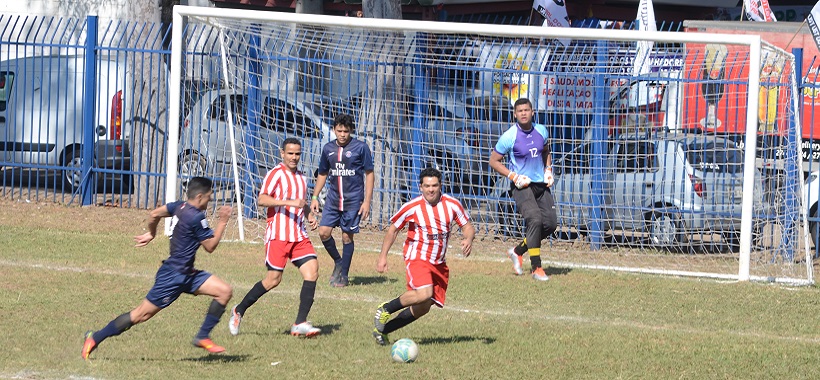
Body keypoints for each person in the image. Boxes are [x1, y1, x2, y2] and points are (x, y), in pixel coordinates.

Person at [82, 177, 233, 359]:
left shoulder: (179, 206)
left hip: (187, 274)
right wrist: (223, 222)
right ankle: (95, 337)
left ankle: (202, 336)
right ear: (200, 196)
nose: (210, 201)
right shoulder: (196, 216)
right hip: (173, 277)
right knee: (140, 315)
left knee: (224, 291)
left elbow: (154, 214)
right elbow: (210, 247)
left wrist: (151, 233)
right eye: (209, 197)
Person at [229, 137, 322, 337]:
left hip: (298, 235)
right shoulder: (275, 174)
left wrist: (309, 215)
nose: (294, 157)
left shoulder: (302, 177)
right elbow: (261, 199)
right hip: (278, 235)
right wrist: (288, 202)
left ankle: (300, 322)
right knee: (273, 280)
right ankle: (239, 310)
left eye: (297, 154)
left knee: (312, 271)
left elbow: (301, 203)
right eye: (290, 153)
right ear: (282, 153)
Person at [371, 167, 475, 345]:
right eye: (427, 186)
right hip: (417, 257)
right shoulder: (412, 207)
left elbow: (467, 226)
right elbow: (393, 230)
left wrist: (468, 239)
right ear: (420, 187)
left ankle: (383, 331)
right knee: (424, 293)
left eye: (434, 185)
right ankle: (386, 308)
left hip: (439, 263)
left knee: (423, 307)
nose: (431, 189)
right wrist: (383, 257)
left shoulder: (452, 204)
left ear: (440, 185)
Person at [488, 97, 557, 281]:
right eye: (520, 111)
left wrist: (548, 170)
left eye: (526, 110)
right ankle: (536, 268)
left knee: (550, 224)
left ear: (532, 112)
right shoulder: (509, 136)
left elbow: (545, 151)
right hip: (522, 186)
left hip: (540, 185)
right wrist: (513, 176)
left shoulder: (541, 130)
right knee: (534, 219)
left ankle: (517, 251)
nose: (523, 113)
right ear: (515, 114)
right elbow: (493, 161)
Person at [310, 113, 375, 287]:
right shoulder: (327, 149)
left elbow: (369, 174)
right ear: (334, 130)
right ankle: (338, 262)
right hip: (332, 200)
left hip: (353, 200)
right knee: (323, 232)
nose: (343, 134)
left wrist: (367, 201)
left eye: (346, 131)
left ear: (351, 131)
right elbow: (323, 173)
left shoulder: (361, 148)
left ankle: (344, 275)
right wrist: (315, 197)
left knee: (347, 237)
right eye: (339, 131)